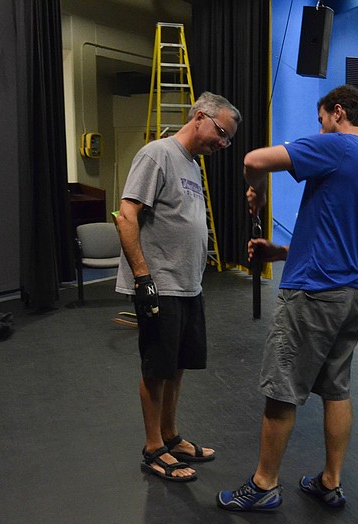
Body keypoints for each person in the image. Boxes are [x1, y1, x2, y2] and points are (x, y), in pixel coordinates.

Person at [217, 85, 358, 511]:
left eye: (321, 119)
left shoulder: (337, 146)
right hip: (351, 295)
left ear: (338, 112)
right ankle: (330, 481)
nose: (320, 127)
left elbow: (252, 160)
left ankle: (263, 485)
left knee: (282, 388)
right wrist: (282, 252)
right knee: (336, 389)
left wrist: (253, 190)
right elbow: (341, 239)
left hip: (313, 293)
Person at [115, 92, 241, 482]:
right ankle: (153, 448)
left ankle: (170, 435)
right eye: (221, 133)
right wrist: (143, 279)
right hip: (161, 284)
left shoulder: (191, 164)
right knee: (156, 368)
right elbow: (126, 215)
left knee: (177, 366)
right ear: (199, 117)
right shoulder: (157, 154)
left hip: (188, 286)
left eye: (227, 140)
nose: (222, 144)